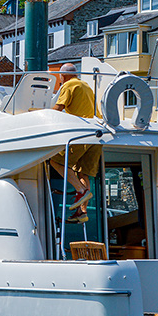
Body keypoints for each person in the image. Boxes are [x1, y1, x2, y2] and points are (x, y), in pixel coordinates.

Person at [49, 63, 99, 223]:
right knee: (83, 173)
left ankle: (80, 190)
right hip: (96, 134)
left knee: (56, 160)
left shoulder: (69, 85)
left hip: (80, 133)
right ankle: (82, 211)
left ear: (63, 76)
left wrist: (40, 114)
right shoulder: (86, 86)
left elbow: (58, 108)